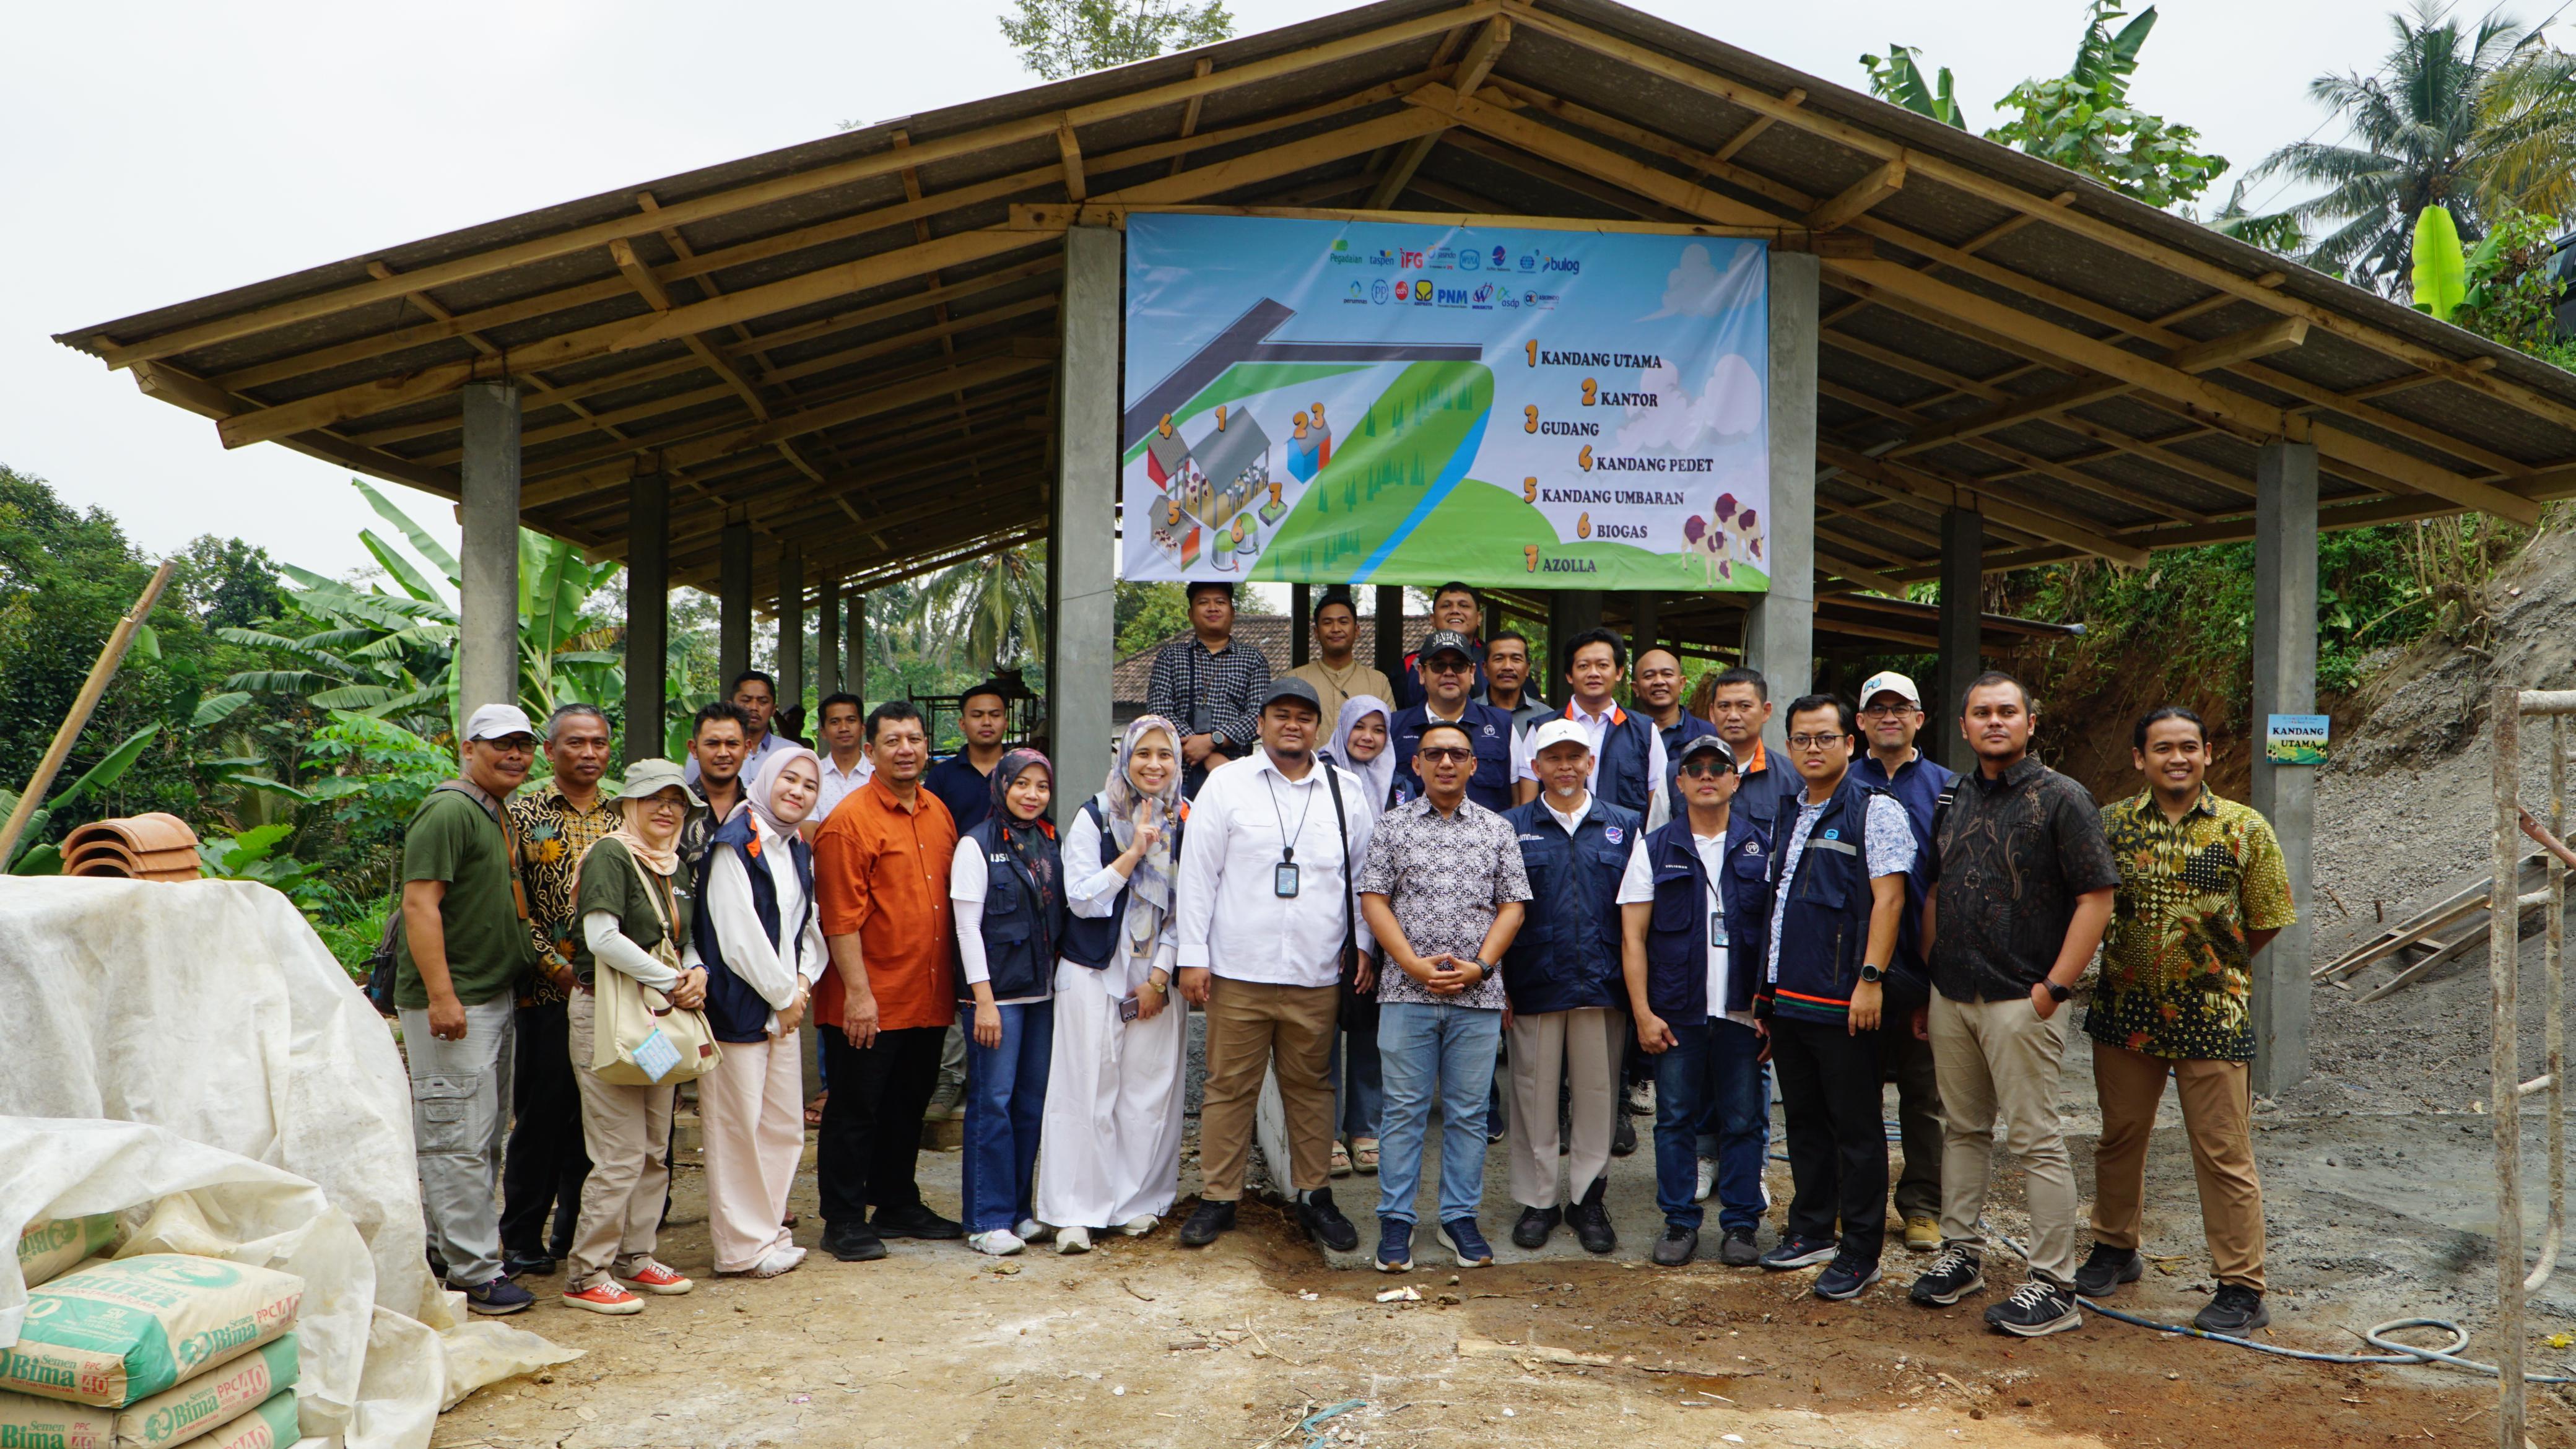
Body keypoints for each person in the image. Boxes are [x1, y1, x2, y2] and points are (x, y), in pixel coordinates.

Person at [1908, 672, 2119, 1337]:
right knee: (1963, 1130)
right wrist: (1929, 977)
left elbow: (2095, 897)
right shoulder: (1952, 797)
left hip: (2021, 998)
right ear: (1964, 726)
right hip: (1953, 995)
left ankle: (2053, 1283)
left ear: (2030, 722)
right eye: (1980, 713)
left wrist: (2054, 988)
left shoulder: (2063, 798)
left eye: (2006, 711)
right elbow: (1937, 891)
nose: (1993, 722)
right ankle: (1959, 1254)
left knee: (2034, 1139)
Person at [2082, 706, 2294, 1335]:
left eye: (2187, 747)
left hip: (2212, 1014)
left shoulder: (2243, 828)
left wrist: (2207, 965)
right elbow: (2089, 903)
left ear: (2205, 754)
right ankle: (2114, 1248)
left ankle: (2240, 1286)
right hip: (2125, 1010)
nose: (2175, 758)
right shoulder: (2111, 825)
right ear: (2138, 758)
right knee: (2119, 1137)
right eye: (2161, 748)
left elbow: (2267, 916)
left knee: (2222, 1150)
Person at [1173, 678, 1374, 1254]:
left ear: (1319, 728)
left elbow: (1364, 880)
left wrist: (1362, 946)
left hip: (1317, 972)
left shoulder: (1344, 790)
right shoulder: (1226, 784)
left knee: (1311, 1088)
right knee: (1227, 1088)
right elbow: (1199, 875)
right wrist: (1194, 957)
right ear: (1260, 724)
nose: (1293, 725)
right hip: (1238, 969)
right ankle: (1219, 1198)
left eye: (1305, 717)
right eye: (1281, 715)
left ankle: (1316, 1196)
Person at [1750, 695, 1915, 1302]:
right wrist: (1764, 999)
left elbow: (1890, 900)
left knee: (1857, 1129)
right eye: (1800, 739)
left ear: (1852, 743)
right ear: (1788, 747)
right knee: (1803, 1123)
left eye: (1824, 737)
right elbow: (1778, 911)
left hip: (1845, 999)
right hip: (1790, 999)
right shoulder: (1789, 812)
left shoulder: (1874, 810)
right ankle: (1812, 1230)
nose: (1811, 748)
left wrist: (1870, 979)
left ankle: (1860, 1250)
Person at [1359, 720, 1530, 1271]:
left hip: (1477, 997)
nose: (1447, 763)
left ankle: (1459, 1218)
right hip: (1405, 992)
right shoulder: (1391, 827)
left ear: (1474, 765)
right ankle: (1396, 1221)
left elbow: (1513, 906)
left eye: (1458, 754)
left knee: (1467, 1112)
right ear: (1417, 764)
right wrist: (1409, 963)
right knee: (1404, 1111)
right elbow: (1374, 899)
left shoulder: (1497, 830)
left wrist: (1481, 967)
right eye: (1434, 754)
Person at [396, 703, 543, 1315]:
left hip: (490, 997)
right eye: (500, 744)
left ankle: (451, 1251)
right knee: (455, 1136)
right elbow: (419, 905)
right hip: (457, 1004)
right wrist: (442, 996)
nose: (514, 755)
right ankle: (476, 1271)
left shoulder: (494, 812)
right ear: (468, 748)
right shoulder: (450, 810)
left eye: (523, 745)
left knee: (480, 1137)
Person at [813, 700, 963, 1262]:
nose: (907, 749)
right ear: (870, 751)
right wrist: (858, 995)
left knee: (908, 1104)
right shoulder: (849, 822)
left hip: (926, 994)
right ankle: (843, 1218)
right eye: (893, 740)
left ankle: (897, 1201)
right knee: (856, 1109)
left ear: (928, 747)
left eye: (915, 739)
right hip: (868, 997)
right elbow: (840, 917)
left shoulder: (937, 811)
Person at [559, 758, 707, 1315]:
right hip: (608, 1015)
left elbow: (682, 937)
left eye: (676, 800)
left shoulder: (674, 865)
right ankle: (587, 1273)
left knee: (653, 1147)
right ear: (629, 804)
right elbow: (601, 937)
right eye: (655, 799)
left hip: (656, 1020)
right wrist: (674, 979)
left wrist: (697, 974)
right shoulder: (610, 855)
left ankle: (637, 1256)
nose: (667, 809)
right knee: (618, 1152)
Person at [1036, 717, 1190, 1251]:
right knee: (1083, 1092)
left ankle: (1135, 1202)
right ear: (1124, 756)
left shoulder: (1187, 819)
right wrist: (1132, 854)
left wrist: (1159, 976)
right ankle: (1076, 1210)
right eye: (1142, 753)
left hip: (1153, 981)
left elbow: (1185, 911)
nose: (1153, 764)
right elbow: (1080, 898)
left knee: (1147, 1096)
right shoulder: (1094, 814)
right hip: (1092, 973)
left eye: (1164, 755)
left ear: (1177, 761)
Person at [1619, 734, 1769, 1268]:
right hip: (1677, 1013)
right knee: (1675, 1120)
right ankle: (1680, 1222)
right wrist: (1642, 1012)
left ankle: (1742, 1226)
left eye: (1718, 767)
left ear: (1735, 779)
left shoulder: (1762, 845)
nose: (1707, 775)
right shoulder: (1653, 847)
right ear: (1678, 782)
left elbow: (1775, 935)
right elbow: (1633, 937)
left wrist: (1767, 1009)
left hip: (1741, 1014)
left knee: (1744, 1120)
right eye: (1695, 768)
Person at [1499, 718, 1638, 1255]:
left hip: (1602, 981)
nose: (1564, 767)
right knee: (1532, 1094)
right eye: (1553, 758)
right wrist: (1501, 984)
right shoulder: (1510, 825)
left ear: (1590, 764)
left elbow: (1637, 912)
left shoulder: (1624, 824)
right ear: (1535, 767)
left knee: (1598, 1096)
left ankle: (1587, 1199)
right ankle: (1538, 1202)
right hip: (1535, 979)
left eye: (1574, 757)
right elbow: (1498, 909)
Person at [695, 746, 829, 1280]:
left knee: (780, 1126)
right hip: (741, 1009)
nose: (797, 791)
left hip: (783, 1007)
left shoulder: (795, 847)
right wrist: (785, 998)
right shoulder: (735, 842)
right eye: (789, 780)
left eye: (809, 785)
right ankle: (739, 1248)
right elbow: (738, 938)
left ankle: (768, 1229)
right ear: (767, 780)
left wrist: (800, 983)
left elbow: (806, 928)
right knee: (737, 1129)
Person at [499, 702, 616, 1281]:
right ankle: (521, 1236)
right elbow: (515, 908)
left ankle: (574, 1231)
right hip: (547, 993)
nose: (588, 753)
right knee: (542, 1117)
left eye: (598, 742)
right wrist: (557, 969)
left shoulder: (624, 815)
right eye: (575, 743)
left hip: (612, 995)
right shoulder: (521, 814)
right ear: (550, 750)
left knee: (595, 1120)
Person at [1848, 670, 1955, 1254]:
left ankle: (1923, 1207)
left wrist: (1943, 978)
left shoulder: (1948, 788)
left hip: (1921, 968)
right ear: (1860, 722)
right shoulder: (1839, 782)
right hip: (1854, 971)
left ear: (1920, 718)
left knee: (1924, 1100)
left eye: (1901, 707)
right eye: (1877, 708)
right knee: (1853, 1095)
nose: (1889, 716)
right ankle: (1853, 1204)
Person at [951, 749, 1064, 1256]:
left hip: (1041, 996)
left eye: (1041, 786)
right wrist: (985, 1001)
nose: (1032, 795)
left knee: (1028, 1104)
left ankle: (1018, 1211)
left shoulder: (1048, 841)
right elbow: (966, 929)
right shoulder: (975, 845)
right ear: (1002, 786)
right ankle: (985, 1218)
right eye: (1022, 784)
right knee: (991, 1105)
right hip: (998, 999)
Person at [1318, 694, 1403, 1175]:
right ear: (1344, 728)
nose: (1368, 737)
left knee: (1370, 1027)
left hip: (1387, 921)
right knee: (1327, 1025)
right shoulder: (1323, 777)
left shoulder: (1400, 782)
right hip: (1332, 921)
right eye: (1360, 727)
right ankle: (1327, 1133)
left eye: (1378, 729)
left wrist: (1373, 940)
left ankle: (1365, 1128)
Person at [1513, 629, 1668, 829]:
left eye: (1603, 665)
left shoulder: (1646, 731)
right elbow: (1527, 806)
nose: (1594, 673)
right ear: (1569, 675)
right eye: (1584, 666)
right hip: (1556, 849)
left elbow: (1659, 808)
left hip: (1628, 852)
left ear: (1619, 672)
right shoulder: (1542, 729)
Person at [1144, 580, 1271, 798]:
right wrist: (1198, 751)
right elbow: (1159, 712)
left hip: (1233, 772)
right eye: (1204, 602)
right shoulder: (1171, 656)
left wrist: (1212, 741)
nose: (1213, 608)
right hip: (1176, 775)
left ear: (1232, 612)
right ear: (1191, 614)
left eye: (1220, 602)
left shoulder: (1253, 659)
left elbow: (1258, 717)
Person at [1390, 630, 1517, 814]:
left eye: (1459, 666)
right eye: (1439, 666)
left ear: (1472, 672)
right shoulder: (1394, 728)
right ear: (1422, 673)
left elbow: (1520, 800)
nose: (1449, 673)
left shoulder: (1502, 724)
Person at [1285, 587, 1395, 727]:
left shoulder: (1378, 682)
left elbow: (1390, 734)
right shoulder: (1294, 680)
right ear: (1316, 632)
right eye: (1327, 623)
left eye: (1343, 622)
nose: (1336, 629)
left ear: (1357, 631)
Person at [1634, 646, 1718, 817]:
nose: (1659, 681)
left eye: (1667, 674)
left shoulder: (1708, 734)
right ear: (1635, 688)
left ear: (1682, 684)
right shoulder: (1626, 735)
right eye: (1649, 676)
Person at [926, 679, 1012, 834]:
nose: (987, 722)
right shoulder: (941, 776)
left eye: (995, 715)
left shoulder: (1021, 771)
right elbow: (931, 832)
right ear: (962, 723)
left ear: (1006, 723)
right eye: (977, 715)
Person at [680, 703, 753, 874]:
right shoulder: (675, 808)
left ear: (746, 749)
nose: (723, 753)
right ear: (694, 749)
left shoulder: (758, 811)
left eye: (732, 744)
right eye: (712, 744)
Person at [1393, 582, 1487, 709]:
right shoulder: (1410, 665)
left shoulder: (1494, 660)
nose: (1455, 611)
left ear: (1479, 618)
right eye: (1446, 606)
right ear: (1432, 619)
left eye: (1464, 605)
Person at [685, 672, 787, 786]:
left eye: (763, 702)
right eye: (746, 700)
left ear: (774, 709)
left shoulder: (791, 752)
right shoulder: (703, 752)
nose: (754, 708)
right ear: (731, 705)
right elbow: (691, 795)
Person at [1474, 629, 1551, 738]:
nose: (1508, 667)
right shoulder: (1468, 713)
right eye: (1499, 659)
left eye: (1516, 659)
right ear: (1485, 669)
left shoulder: (1547, 717)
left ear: (1527, 669)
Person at [814, 692, 874, 825]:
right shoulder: (812, 775)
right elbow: (809, 831)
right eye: (835, 722)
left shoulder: (880, 774)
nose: (844, 728)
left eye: (851, 720)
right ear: (823, 732)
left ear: (862, 728)